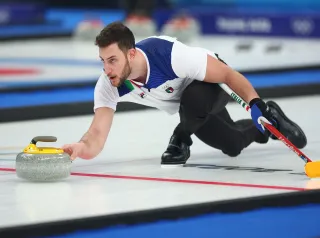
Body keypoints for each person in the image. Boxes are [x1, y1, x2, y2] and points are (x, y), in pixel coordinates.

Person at [62, 21, 307, 165]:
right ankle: (269, 120)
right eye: (103, 61)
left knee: (193, 99)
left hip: (208, 87)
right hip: (191, 111)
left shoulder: (169, 55)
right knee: (231, 145)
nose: (107, 69)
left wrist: (255, 103)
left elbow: (227, 75)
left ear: (132, 54)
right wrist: (81, 147)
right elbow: (96, 134)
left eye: (112, 60)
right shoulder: (110, 83)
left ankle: (181, 136)